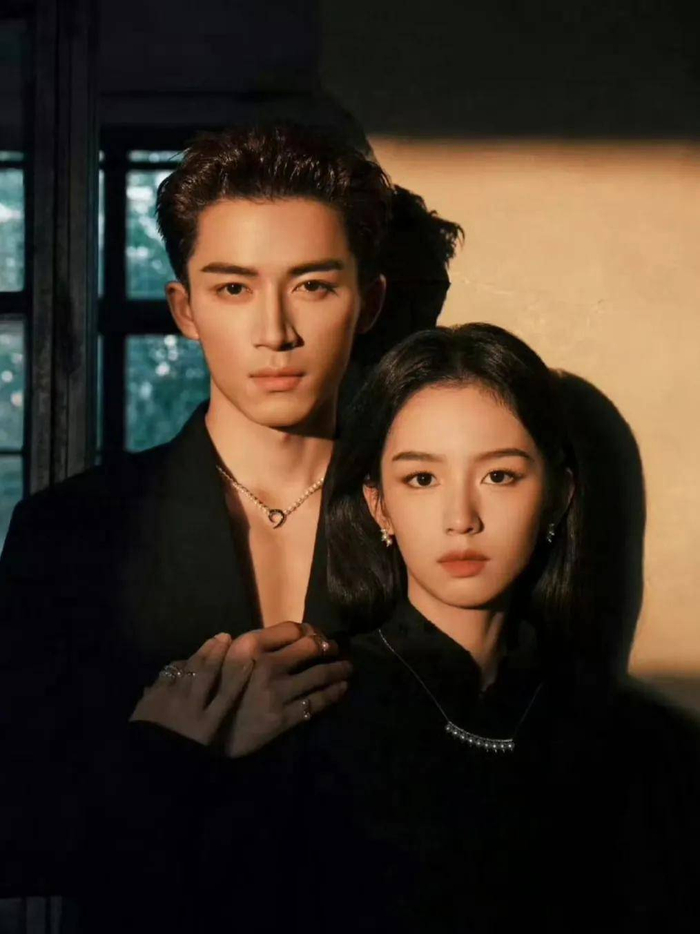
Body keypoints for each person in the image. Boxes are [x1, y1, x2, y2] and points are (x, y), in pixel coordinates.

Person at [0, 122, 465, 913]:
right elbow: (15, 840)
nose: (275, 333)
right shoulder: (71, 532)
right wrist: (168, 750)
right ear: (185, 309)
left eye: (313, 285)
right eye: (233, 289)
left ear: (369, 301)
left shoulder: (441, 524)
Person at [129, 323, 700, 933]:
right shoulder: (303, 708)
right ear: (379, 505)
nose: (462, 519)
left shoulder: (638, 743)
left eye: (499, 476)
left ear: (558, 497)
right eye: (422, 479)